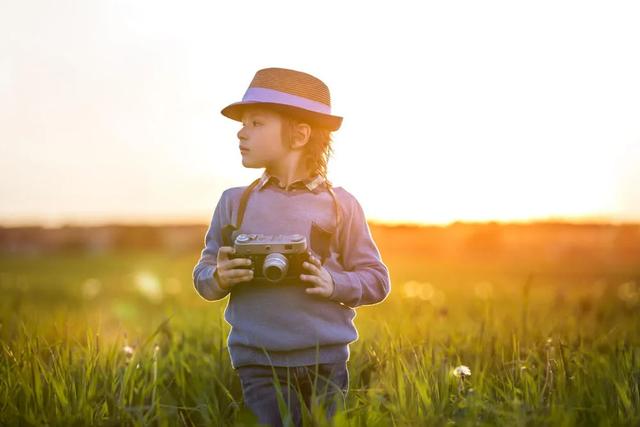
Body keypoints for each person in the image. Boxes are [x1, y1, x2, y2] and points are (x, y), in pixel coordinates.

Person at [192, 67, 391, 426]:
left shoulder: (340, 205)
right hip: (257, 362)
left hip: (325, 362)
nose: (241, 131)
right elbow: (203, 276)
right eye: (243, 123)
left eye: (256, 123)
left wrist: (335, 284)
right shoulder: (235, 203)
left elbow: (377, 280)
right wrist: (218, 277)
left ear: (299, 135)